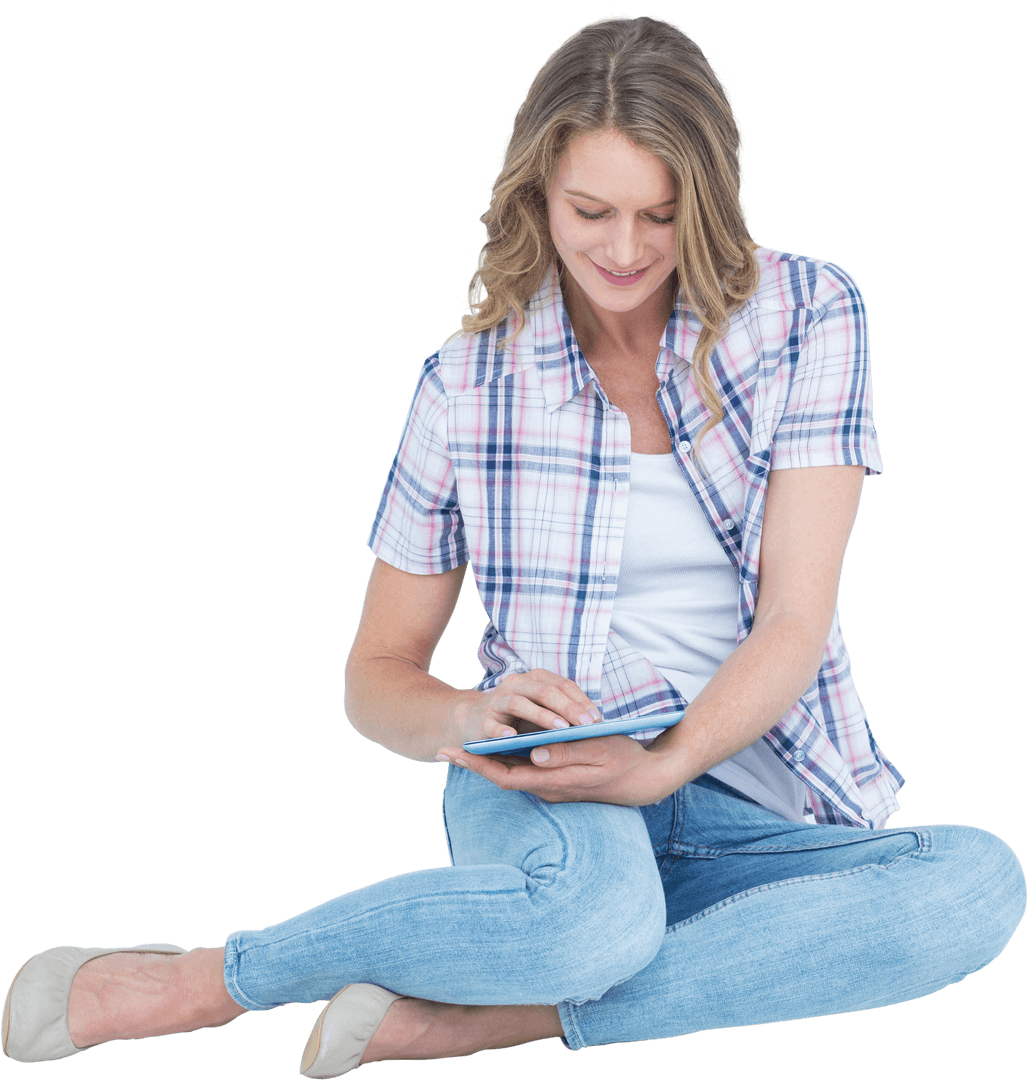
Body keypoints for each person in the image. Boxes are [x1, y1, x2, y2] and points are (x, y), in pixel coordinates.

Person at [3, 13, 1024, 1076]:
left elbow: (792, 621)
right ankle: (194, 980)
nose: (623, 250)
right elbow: (372, 676)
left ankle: (490, 1018)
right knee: (587, 922)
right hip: (546, 789)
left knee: (974, 889)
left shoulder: (808, 315)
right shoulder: (466, 384)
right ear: (538, 193)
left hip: (743, 787)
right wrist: (467, 713)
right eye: (590, 210)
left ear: (707, 205)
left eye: (658, 216)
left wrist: (664, 765)